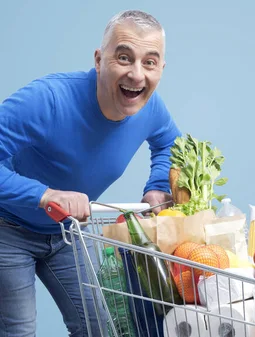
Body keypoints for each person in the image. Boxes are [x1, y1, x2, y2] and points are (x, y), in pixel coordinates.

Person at [0, 10, 181, 336]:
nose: (137, 75)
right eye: (124, 58)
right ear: (99, 60)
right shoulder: (47, 100)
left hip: (66, 234)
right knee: (19, 330)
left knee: (99, 328)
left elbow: (169, 144)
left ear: (161, 69)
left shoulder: (151, 109)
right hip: (7, 229)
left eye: (149, 62)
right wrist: (46, 194)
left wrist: (156, 185)